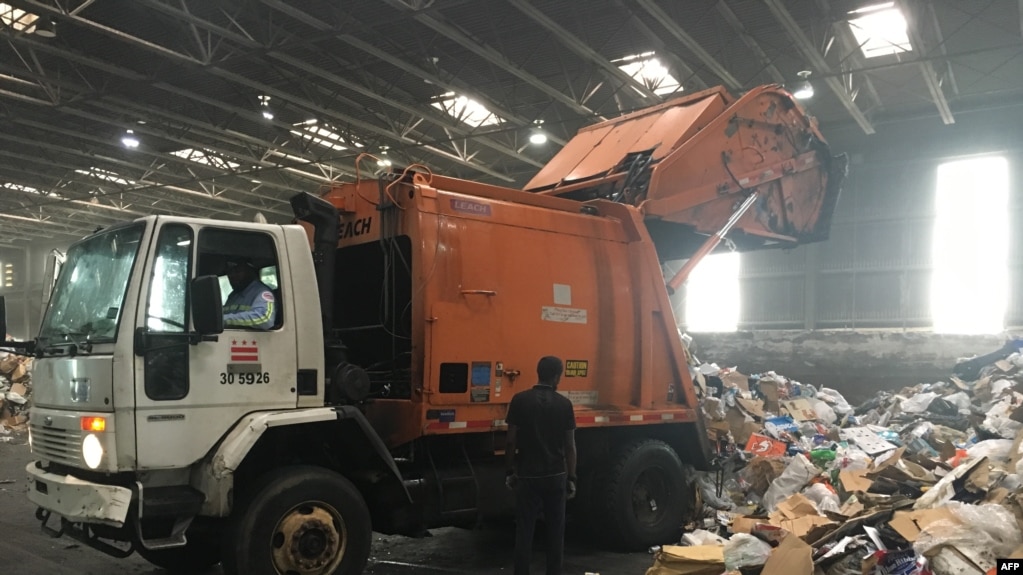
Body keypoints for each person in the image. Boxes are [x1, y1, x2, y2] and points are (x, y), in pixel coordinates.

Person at [505, 356, 577, 575]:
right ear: (556, 376)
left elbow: (510, 441)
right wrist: (572, 478)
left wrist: (510, 471)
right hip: (556, 476)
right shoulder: (564, 405)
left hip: (528, 476)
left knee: (524, 533)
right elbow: (570, 447)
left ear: (538, 373)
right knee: (556, 533)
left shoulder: (519, 400)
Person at [222, 259, 277, 330]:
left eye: (237, 271)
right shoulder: (233, 295)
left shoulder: (262, 293)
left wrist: (222, 320)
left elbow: (264, 319)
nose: (232, 276)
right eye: (229, 273)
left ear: (250, 272)